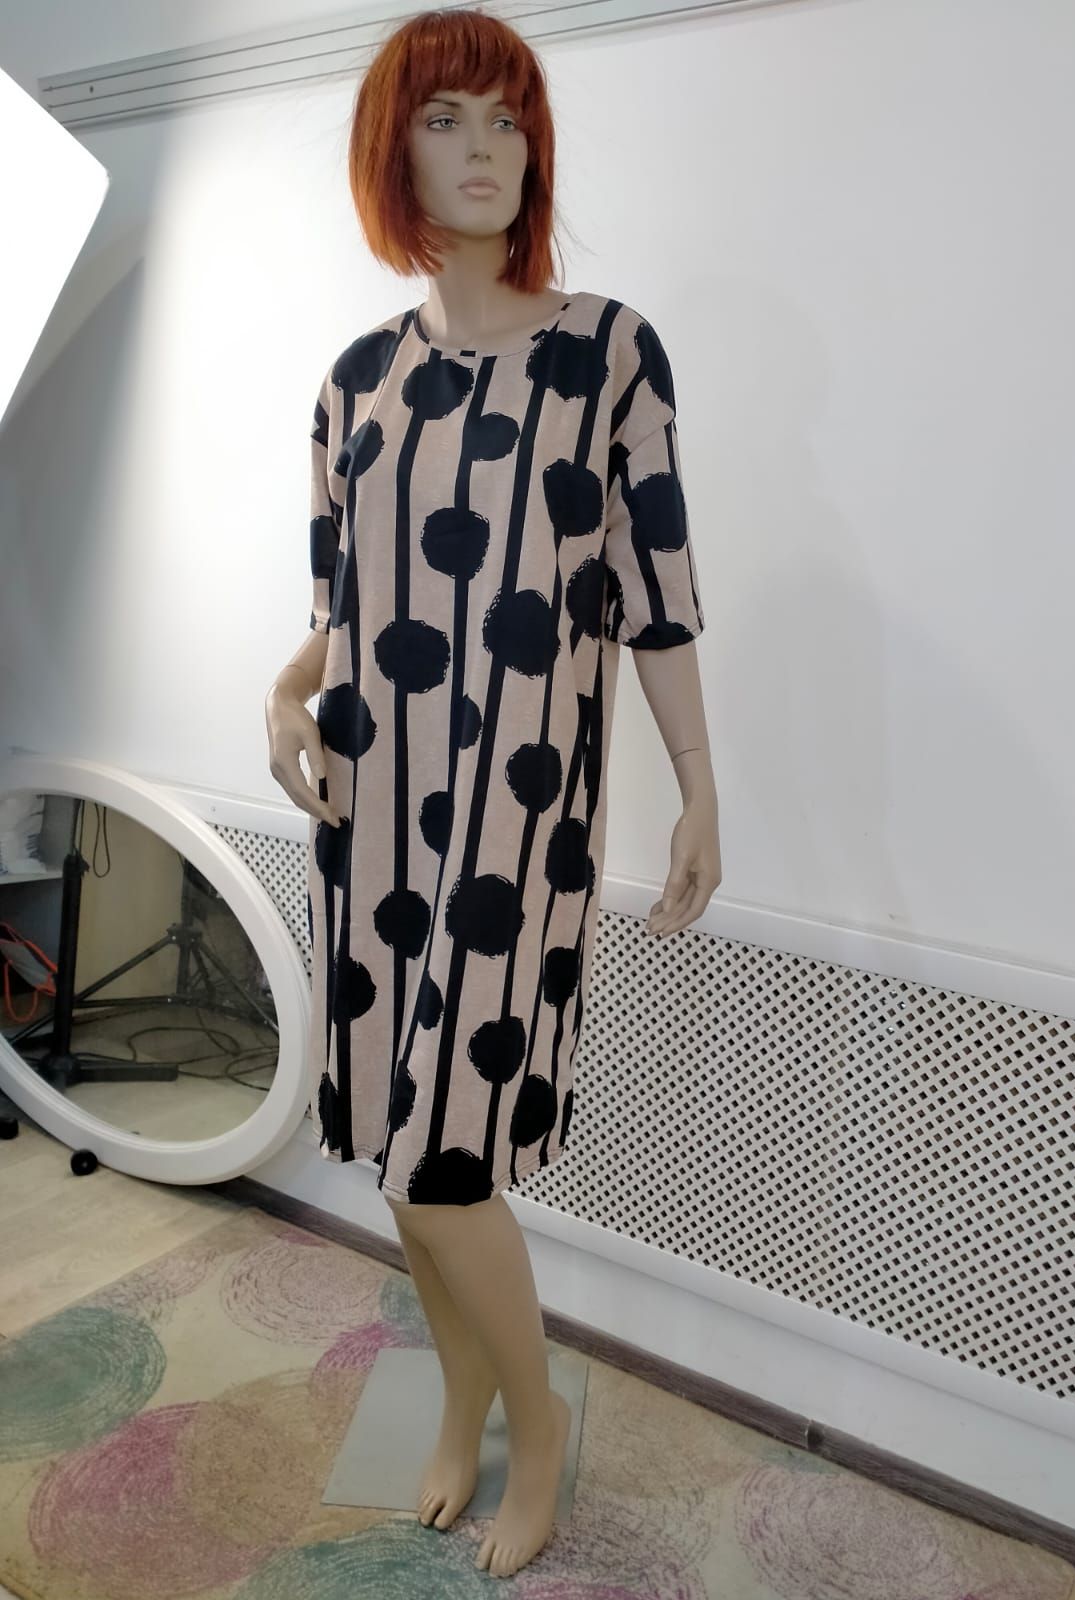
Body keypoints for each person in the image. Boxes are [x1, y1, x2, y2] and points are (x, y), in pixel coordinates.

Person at [264, 7, 721, 1578]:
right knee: (398, 1157)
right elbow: (342, 607)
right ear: (391, 151)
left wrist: (699, 783)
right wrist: (283, 691)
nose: (485, 150)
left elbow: (659, 591)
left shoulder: (608, 355)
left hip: (513, 826)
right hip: (372, 813)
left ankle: (532, 1427)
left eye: (509, 120)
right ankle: (460, 1403)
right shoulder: (354, 384)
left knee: (448, 1159)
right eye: (447, 119)